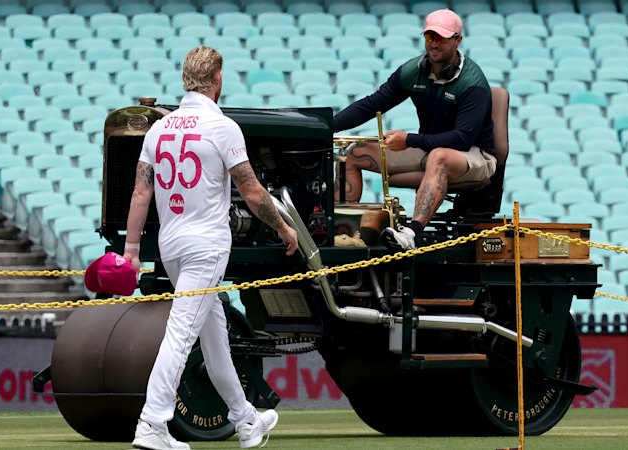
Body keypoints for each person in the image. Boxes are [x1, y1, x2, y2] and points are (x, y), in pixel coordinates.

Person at [123, 46, 298, 450]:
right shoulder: (222, 126)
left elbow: (140, 193)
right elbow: (252, 193)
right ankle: (152, 423)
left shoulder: (158, 129)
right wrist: (285, 228)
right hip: (206, 245)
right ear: (217, 78)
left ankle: (245, 420)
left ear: (186, 79)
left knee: (214, 335)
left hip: (172, 245)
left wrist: (131, 249)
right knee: (181, 334)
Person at [333, 8, 496, 250]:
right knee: (353, 153)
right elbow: (372, 105)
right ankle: (341, 230)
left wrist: (409, 139)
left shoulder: (473, 83)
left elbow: (462, 139)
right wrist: (326, 127)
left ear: (458, 40)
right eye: (430, 36)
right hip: (429, 148)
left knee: (440, 156)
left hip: (474, 155)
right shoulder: (413, 71)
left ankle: (411, 235)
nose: (434, 43)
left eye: (441, 38)